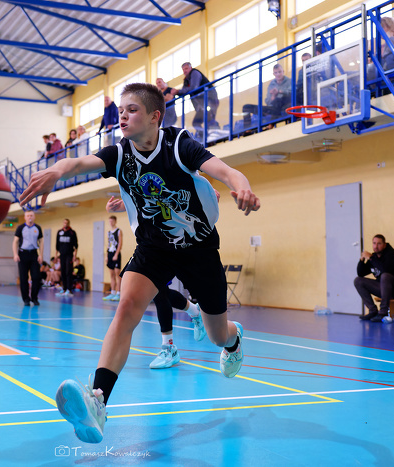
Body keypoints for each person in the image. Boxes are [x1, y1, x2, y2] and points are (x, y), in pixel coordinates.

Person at [19, 82, 260, 443]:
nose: (123, 117)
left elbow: (225, 171)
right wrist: (56, 171)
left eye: (131, 110)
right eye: (120, 111)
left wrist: (243, 187)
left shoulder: (179, 144)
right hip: (153, 249)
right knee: (127, 309)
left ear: (154, 117)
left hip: (198, 248)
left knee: (216, 335)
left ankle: (233, 338)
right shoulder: (120, 153)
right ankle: (98, 401)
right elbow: (79, 162)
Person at [105, 196, 206, 369]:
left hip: (170, 244)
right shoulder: (140, 186)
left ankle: (169, 347)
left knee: (159, 293)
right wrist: (118, 205)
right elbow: (137, 199)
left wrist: (207, 193)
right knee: (158, 292)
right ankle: (195, 311)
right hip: (147, 245)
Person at [354, 234, 394, 322]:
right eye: (374, 243)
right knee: (358, 281)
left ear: (384, 245)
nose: (376, 246)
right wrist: (362, 260)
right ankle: (372, 310)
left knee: (385, 276)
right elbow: (361, 273)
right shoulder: (374, 257)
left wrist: (371, 258)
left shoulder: (391, 255)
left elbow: (385, 269)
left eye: (379, 244)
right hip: (385, 291)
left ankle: (383, 312)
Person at [242, 63, 291, 129]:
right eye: (276, 73)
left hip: (283, 107)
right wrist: (273, 95)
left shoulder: (289, 81)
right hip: (272, 109)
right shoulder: (271, 84)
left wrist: (279, 92)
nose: (278, 74)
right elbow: (268, 101)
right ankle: (247, 130)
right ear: (273, 74)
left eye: (279, 72)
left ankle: (270, 124)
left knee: (279, 98)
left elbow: (292, 94)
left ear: (283, 72)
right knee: (246, 107)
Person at [178, 62, 220, 134]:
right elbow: (183, 91)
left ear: (190, 68)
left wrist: (178, 91)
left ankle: (213, 132)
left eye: (186, 68)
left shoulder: (195, 73)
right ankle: (204, 135)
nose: (185, 71)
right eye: (183, 69)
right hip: (201, 105)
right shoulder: (186, 80)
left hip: (209, 99)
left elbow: (194, 87)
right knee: (196, 123)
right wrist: (176, 92)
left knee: (209, 118)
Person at [12, 210, 43, 306]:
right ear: (25, 217)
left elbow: (41, 241)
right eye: (28, 215)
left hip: (34, 254)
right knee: (23, 278)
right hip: (23, 254)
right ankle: (26, 299)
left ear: (34, 217)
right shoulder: (21, 228)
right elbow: (15, 241)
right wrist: (15, 254)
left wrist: (41, 254)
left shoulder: (37, 228)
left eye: (31, 215)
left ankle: (34, 298)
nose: (30, 217)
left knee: (36, 277)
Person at [102, 213, 122, 301]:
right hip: (110, 253)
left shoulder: (118, 231)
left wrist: (116, 254)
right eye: (109, 221)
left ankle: (118, 293)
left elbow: (120, 244)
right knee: (112, 275)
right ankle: (112, 292)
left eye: (112, 221)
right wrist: (106, 255)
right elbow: (108, 244)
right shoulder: (109, 232)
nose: (111, 223)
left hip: (116, 254)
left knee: (118, 274)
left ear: (115, 221)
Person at [55, 219, 78, 298]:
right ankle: (64, 289)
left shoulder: (72, 232)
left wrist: (75, 256)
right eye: (64, 223)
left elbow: (76, 246)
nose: (65, 224)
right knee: (63, 272)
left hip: (69, 255)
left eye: (67, 223)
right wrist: (56, 256)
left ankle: (69, 289)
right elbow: (57, 245)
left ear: (69, 224)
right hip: (62, 255)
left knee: (68, 271)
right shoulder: (59, 232)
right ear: (63, 223)